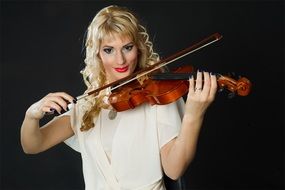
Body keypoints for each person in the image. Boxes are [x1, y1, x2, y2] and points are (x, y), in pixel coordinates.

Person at [20, 5, 217, 190]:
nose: (120, 60)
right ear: (97, 54)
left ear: (138, 47)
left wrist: (193, 115)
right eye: (109, 50)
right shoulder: (87, 104)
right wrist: (32, 114)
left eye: (127, 47)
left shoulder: (157, 96)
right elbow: (33, 145)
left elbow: (174, 169)